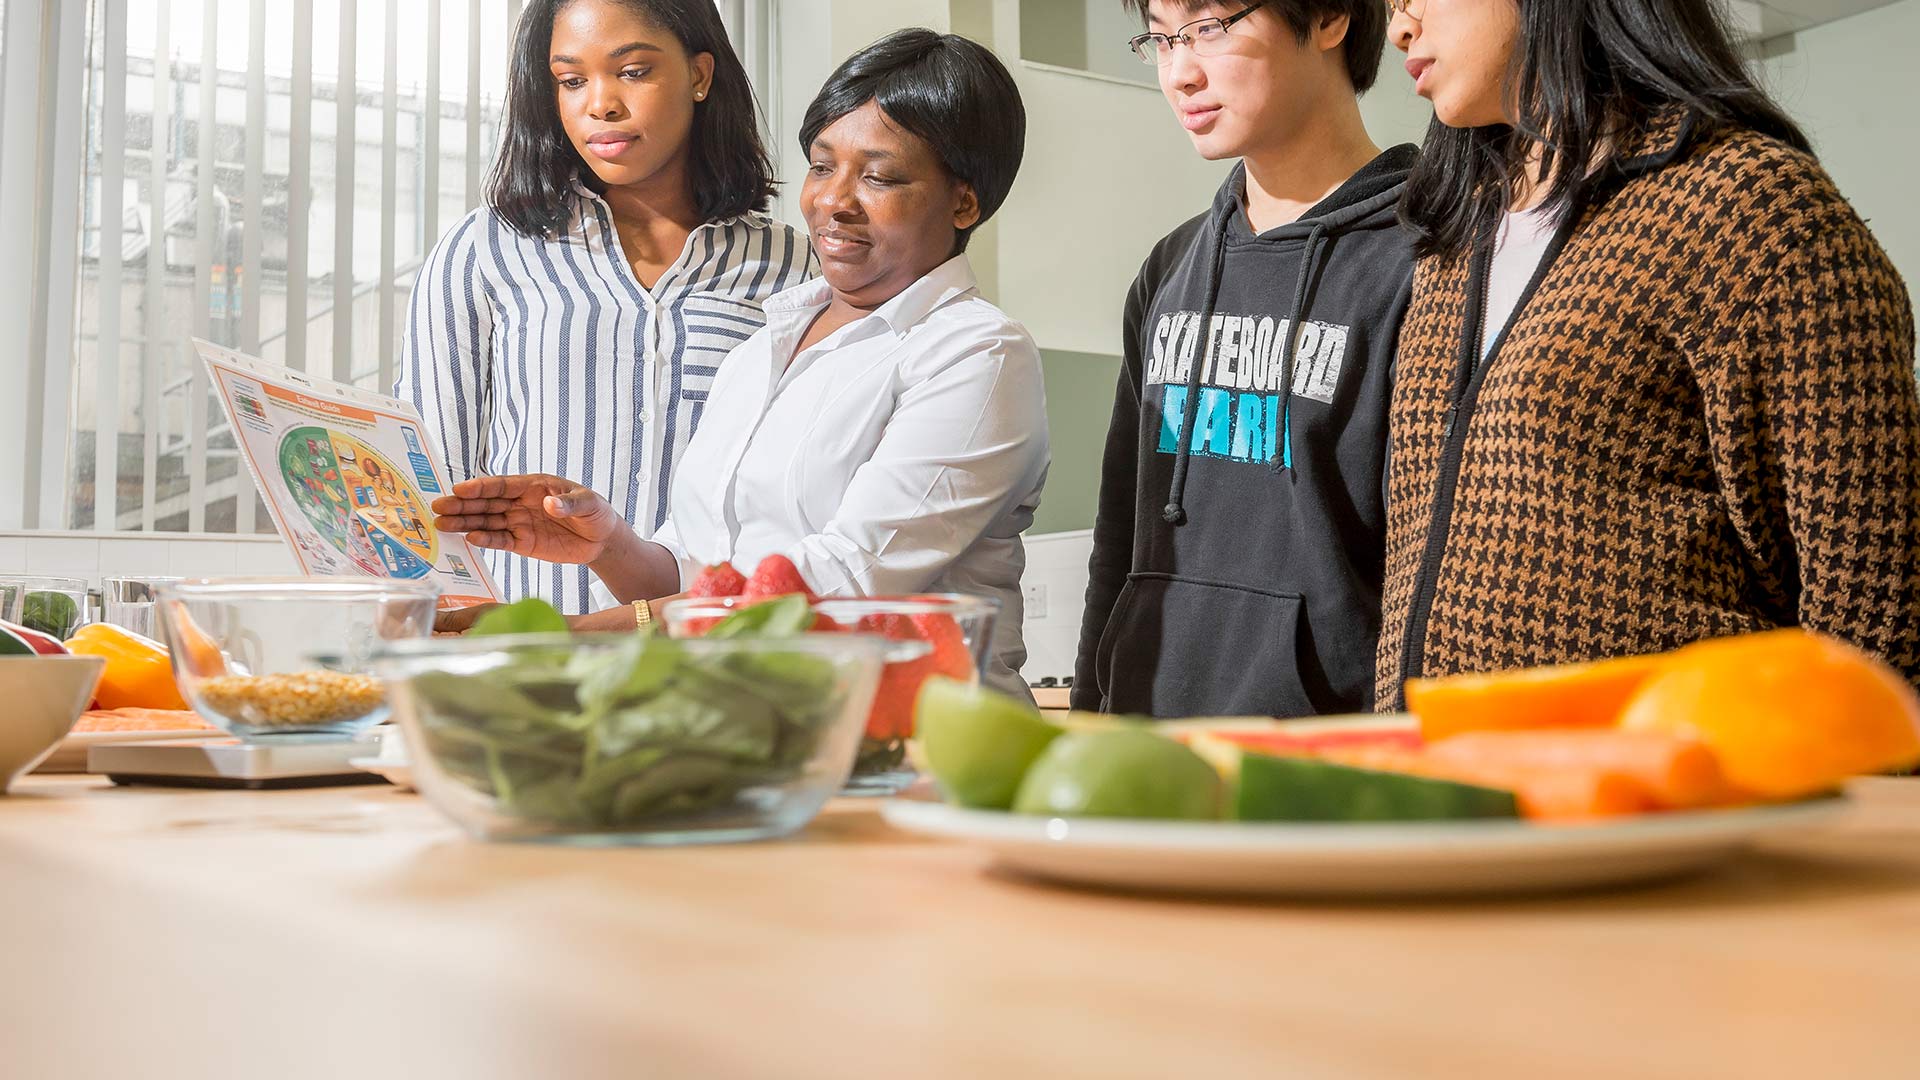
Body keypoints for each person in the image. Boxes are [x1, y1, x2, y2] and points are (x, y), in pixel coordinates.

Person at [431, 30, 1049, 697]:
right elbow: (701, 573)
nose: (832, 201)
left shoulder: (977, 355)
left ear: (964, 201)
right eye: (821, 166)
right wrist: (606, 542)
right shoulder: (767, 344)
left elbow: (841, 579)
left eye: (879, 177)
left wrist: (573, 638)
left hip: (919, 741)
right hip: (771, 734)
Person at [1377, 0, 1920, 704]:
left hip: (1684, 797)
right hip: (1450, 790)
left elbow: (1876, 603)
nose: (1399, 27)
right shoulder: (1451, 243)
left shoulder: (1754, 211)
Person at [397, 0, 811, 614]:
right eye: (571, 80)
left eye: (634, 71)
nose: (600, 104)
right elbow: (426, 481)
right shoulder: (483, 249)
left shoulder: (795, 269)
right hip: (527, 658)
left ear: (700, 75)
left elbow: (798, 494)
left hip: (710, 660)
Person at [1074, 0, 1418, 718]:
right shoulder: (1172, 267)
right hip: (1142, 752)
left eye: (1210, 28)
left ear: (1328, 18)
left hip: (1319, 766)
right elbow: (1119, 534)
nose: (1180, 75)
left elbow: (1426, 567)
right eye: (1162, 40)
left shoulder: (1423, 260)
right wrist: (1087, 716)